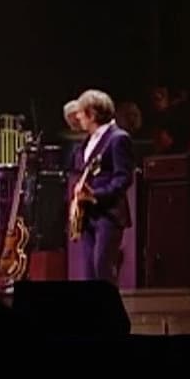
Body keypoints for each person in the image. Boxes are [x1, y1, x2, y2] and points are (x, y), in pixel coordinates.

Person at [66, 90, 134, 284]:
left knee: (102, 266)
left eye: (81, 112)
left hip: (108, 214)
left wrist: (96, 195)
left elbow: (123, 178)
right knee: (89, 271)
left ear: (92, 114)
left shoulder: (118, 138)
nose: (78, 117)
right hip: (87, 215)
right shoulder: (86, 142)